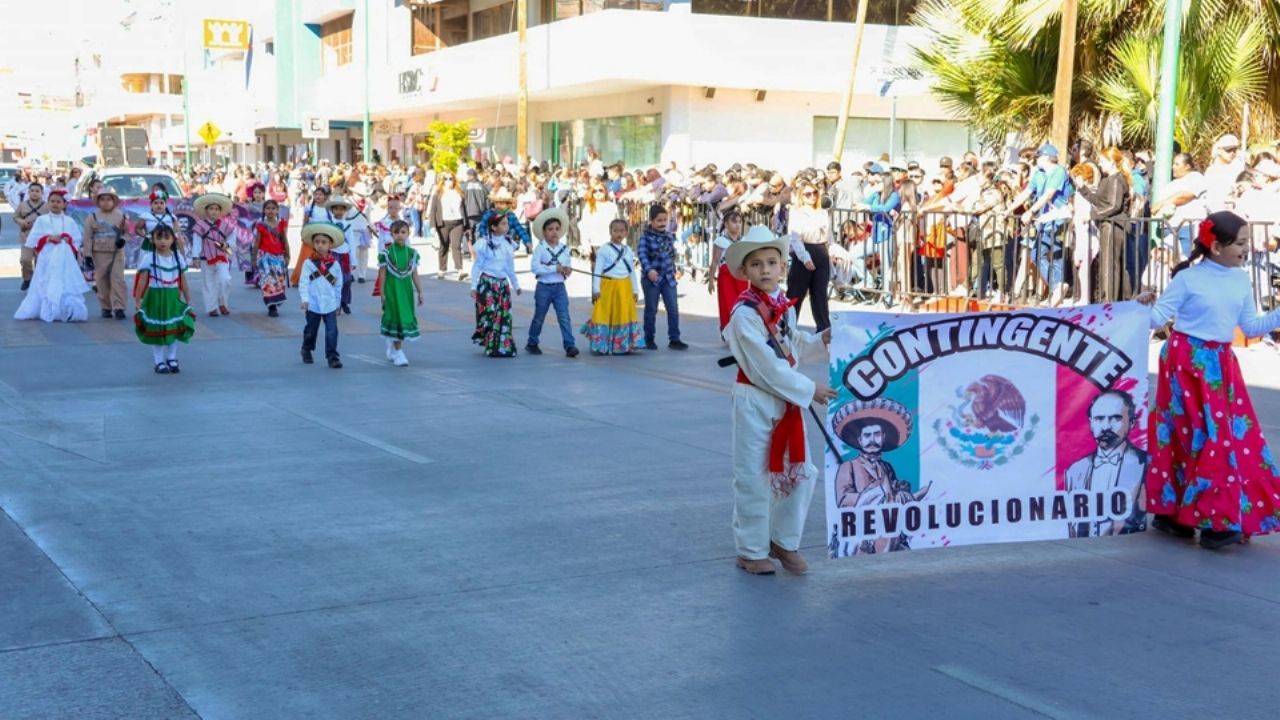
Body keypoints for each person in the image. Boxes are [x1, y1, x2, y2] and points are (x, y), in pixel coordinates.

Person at [1135, 211, 1280, 550]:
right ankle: (1190, 516)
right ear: (1216, 246)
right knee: (1191, 434)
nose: (1247, 249)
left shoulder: (1241, 280)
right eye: (1241, 243)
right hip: (1185, 362)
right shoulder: (1187, 279)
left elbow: (1251, 327)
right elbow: (1156, 320)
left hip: (1220, 365)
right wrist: (1141, 304)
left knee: (1219, 437)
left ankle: (1208, 515)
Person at [723, 225, 834, 575]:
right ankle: (751, 549)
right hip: (757, 399)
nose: (766, 270)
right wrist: (808, 389)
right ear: (745, 272)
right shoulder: (743, 314)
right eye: (757, 265)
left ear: (784, 267)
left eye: (773, 262)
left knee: (801, 472)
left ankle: (784, 541)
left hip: (786, 401)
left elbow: (794, 345)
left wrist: (822, 340)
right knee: (754, 475)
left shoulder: (782, 306)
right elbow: (765, 368)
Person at [832, 398, 929, 554]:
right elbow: (843, 500)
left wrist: (901, 494)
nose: (872, 440)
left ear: (883, 437)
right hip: (860, 532)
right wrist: (876, 494)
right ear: (859, 440)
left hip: (887, 528)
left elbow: (893, 496)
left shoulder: (886, 467)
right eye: (867, 435)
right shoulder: (848, 466)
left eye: (877, 435)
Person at [1064, 390, 1149, 537]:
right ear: (1090, 423)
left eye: (1115, 418)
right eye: (1099, 419)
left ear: (1132, 422)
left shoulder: (1145, 464)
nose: (1105, 427)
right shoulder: (1075, 470)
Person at [14, 189, 90, 323]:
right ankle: (49, 307)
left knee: (64, 280)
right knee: (46, 278)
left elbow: (77, 239)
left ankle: (66, 309)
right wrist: (48, 238)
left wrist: (68, 239)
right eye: (52, 201)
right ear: (48, 203)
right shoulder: (41, 220)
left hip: (64, 257)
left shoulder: (69, 220)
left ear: (64, 204)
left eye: (58, 202)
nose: (55, 204)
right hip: (47, 255)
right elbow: (34, 239)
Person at [133, 225, 196, 374]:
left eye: (166, 238)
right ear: (153, 240)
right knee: (158, 328)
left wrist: (188, 299)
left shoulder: (177, 257)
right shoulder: (149, 257)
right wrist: (138, 300)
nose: (163, 241)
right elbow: (142, 280)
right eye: (159, 238)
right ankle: (159, 361)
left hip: (173, 296)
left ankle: (172, 358)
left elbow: (183, 280)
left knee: (173, 327)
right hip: (155, 296)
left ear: (173, 239)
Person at [582, 219, 643, 355]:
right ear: (610, 232)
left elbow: (631, 271)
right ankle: (602, 345)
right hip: (608, 285)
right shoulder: (604, 250)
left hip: (624, 286)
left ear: (626, 233)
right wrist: (596, 289)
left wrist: (635, 289)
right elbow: (598, 270)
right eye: (615, 231)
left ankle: (623, 344)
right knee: (606, 313)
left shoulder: (628, 250)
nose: (618, 234)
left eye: (621, 231)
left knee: (623, 314)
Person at [1077, 148, 1131, 302]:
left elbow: (1114, 205)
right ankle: (1107, 298)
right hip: (1107, 225)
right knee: (1107, 264)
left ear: (1112, 162)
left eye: (1102, 161)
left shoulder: (1116, 179)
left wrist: (1092, 215)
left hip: (1114, 226)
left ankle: (1108, 301)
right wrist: (1083, 189)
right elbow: (1100, 201)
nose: (1099, 164)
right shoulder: (1108, 180)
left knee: (1109, 266)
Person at [525, 209, 580, 358]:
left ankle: (569, 345)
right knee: (539, 316)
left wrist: (566, 270)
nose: (554, 232)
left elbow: (567, 263)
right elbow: (535, 267)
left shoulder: (564, 249)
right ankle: (532, 342)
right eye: (550, 229)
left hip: (560, 287)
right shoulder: (541, 249)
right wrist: (554, 268)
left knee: (564, 316)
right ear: (544, 232)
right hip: (544, 287)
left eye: (556, 229)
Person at [470, 212, 521, 358]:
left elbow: (509, 266)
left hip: (502, 284)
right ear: (493, 227)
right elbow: (477, 266)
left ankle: (502, 346)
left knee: (503, 315)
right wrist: (473, 286)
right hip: (487, 283)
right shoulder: (484, 243)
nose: (507, 226)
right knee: (490, 314)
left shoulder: (508, 243)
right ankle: (490, 344)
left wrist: (515, 284)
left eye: (507, 223)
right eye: (503, 224)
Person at [638, 204, 687, 351]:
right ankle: (649, 338)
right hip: (652, 279)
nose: (662, 223)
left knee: (673, 308)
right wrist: (649, 270)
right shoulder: (645, 238)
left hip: (668, 278)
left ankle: (674, 338)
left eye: (665, 220)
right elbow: (642, 255)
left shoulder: (669, 237)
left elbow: (672, 255)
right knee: (651, 309)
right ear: (651, 221)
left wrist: (676, 269)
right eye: (659, 220)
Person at [785, 183, 833, 330]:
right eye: (808, 194)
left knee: (820, 295)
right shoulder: (797, 212)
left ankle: (824, 330)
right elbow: (795, 238)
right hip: (804, 251)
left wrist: (833, 253)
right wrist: (805, 258)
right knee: (795, 294)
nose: (812, 196)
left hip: (821, 251)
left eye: (814, 193)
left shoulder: (823, 212)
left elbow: (829, 237)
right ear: (801, 196)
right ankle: (786, 329)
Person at [298, 223, 347, 369]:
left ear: (330, 244)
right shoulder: (308, 263)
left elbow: (338, 286)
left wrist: (338, 304)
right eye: (317, 242)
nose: (320, 245)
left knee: (332, 330)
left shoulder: (335, 265)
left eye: (323, 242)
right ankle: (306, 349)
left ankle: (332, 356)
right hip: (313, 303)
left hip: (330, 304)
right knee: (311, 330)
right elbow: (304, 282)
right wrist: (305, 299)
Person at [378, 220, 424, 367]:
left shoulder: (412, 253)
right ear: (391, 234)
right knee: (395, 317)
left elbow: (415, 274)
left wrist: (420, 291)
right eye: (396, 232)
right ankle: (399, 352)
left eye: (403, 232)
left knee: (405, 317)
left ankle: (392, 344)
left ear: (408, 234)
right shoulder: (386, 253)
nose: (400, 236)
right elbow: (382, 274)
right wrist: (382, 293)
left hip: (405, 291)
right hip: (392, 291)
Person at [82, 187, 130, 319]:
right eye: (102, 199)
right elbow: (87, 236)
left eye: (109, 199)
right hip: (99, 253)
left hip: (116, 253)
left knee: (117, 280)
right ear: (98, 201)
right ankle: (106, 307)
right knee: (101, 281)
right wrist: (87, 256)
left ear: (114, 201)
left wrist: (123, 240)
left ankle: (119, 307)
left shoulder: (121, 216)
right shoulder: (92, 217)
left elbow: (128, 232)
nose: (106, 202)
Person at [191, 193, 236, 318]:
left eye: (216, 209)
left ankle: (222, 303)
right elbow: (197, 242)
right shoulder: (200, 226)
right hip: (206, 258)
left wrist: (226, 245)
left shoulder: (226, 225)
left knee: (225, 280)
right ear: (206, 211)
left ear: (220, 211)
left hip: (222, 257)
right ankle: (212, 307)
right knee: (208, 283)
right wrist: (196, 257)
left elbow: (232, 239)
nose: (214, 212)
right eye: (211, 209)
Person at [708, 209, 749, 331]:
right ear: (726, 224)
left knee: (743, 305)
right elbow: (714, 261)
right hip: (727, 276)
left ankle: (743, 330)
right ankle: (728, 330)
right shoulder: (720, 241)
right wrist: (711, 280)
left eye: (739, 222)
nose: (737, 225)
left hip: (741, 276)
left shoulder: (744, 241)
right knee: (729, 304)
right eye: (734, 222)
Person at [253, 199, 290, 316]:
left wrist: (288, 255)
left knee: (278, 281)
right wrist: (254, 259)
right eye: (268, 208)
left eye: (273, 208)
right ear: (264, 210)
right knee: (268, 281)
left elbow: (284, 240)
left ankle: (276, 302)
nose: (270, 211)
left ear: (277, 210)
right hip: (265, 257)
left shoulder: (281, 224)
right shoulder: (261, 225)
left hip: (278, 257)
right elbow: (257, 242)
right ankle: (271, 306)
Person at [430, 171, 467, 280]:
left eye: (451, 178)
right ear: (442, 180)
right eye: (446, 179)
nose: (449, 181)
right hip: (443, 222)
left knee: (456, 246)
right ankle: (442, 269)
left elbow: (464, 209)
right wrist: (433, 225)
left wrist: (467, 226)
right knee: (444, 246)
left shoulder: (459, 192)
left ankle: (460, 270)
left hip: (457, 222)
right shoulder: (438, 193)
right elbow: (433, 210)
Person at [327, 196, 361, 314]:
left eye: (342, 209)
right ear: (332, 210)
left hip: (345, 254)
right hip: (332, 254)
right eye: (336, 209)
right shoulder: (329, 223)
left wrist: (354, 260)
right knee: (332, 279)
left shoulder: (348, 225)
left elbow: (351, 242)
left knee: (346, 280)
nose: (339, 211)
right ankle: (332, 302)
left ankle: (344, 301)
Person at [14, 181, 49, 292]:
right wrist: (22, 222)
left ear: (42, 193)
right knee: (25, 260)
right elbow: (15, 217)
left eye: (37, 191)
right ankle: (27, 278)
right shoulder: (23, 205)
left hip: (42, 239)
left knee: (41, 262)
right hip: (27, 237)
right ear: (28, 192)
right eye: (32, 191)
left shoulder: (47, 206)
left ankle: (39, 283)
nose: (34, 193)